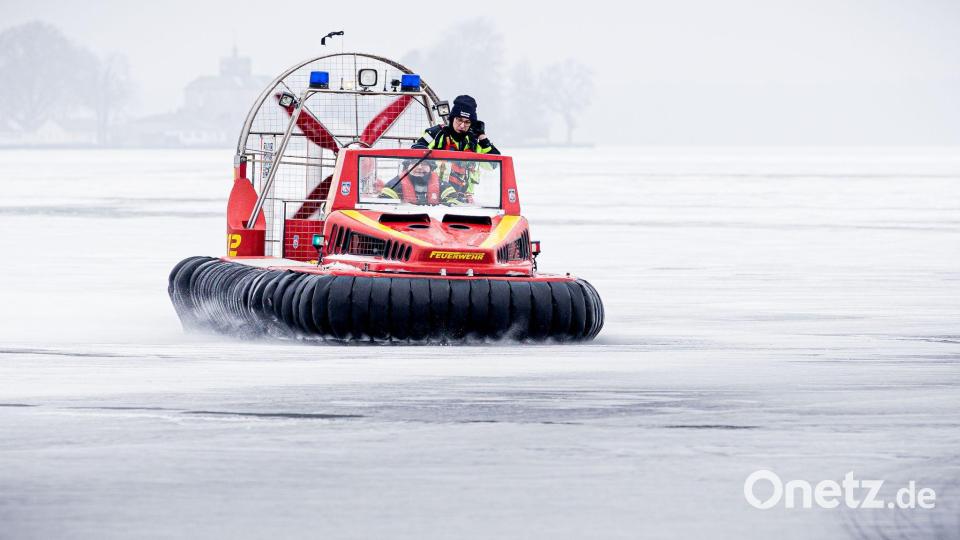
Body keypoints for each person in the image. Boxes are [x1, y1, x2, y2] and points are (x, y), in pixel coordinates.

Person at [412, 95, 499, 155]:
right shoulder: (434, 134)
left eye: (467, 122)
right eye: (459, 120)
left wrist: (482, 137)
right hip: (436, 182)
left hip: (464, 183)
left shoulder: (473, 141)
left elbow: (493, 164)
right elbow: (416, 151)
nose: (462, 126)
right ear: (452, 118)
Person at [379, 159, 461, 205]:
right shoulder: (393, 185)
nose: (419, 167)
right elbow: (383, 204)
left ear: (431, 168)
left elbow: (455, 202)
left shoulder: (443, 186)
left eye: (424, 164)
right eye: (415, 163)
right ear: (407, 167)